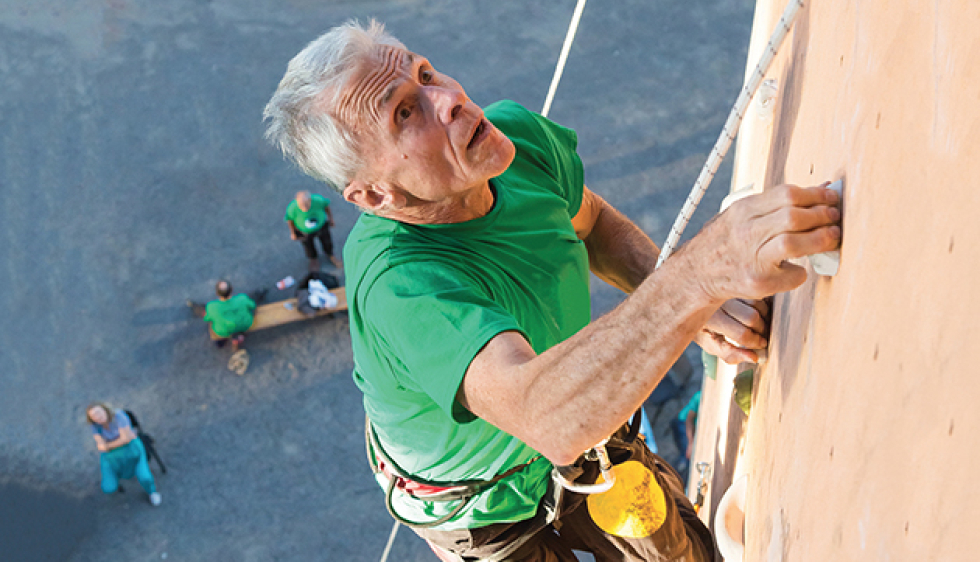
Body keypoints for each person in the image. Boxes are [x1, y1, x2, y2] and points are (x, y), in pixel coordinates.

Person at [263, 20, 841, 561]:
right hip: (487, 506)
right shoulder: (401, 288)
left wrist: (696, 303)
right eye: (407, 113)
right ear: (374, 197)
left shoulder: (512, 141)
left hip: (582, 419)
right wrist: (698, 277)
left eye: (426, 74)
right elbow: (546, 417)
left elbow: (587, 221)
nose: (450, 99)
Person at [86, 403, 161, 506]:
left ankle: (152, 492)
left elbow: (125, 440)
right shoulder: (95, 426)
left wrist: (108, 445)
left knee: (145, 477)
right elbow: (101, 445)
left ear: (105, 409)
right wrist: (117, 442)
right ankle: (117, 478)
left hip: (132, 449)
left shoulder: (118, 416)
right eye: (94, 416)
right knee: (108, 487)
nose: (97, 417)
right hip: (112, 455)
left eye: (98, 412)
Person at [187, 280, 267, 350]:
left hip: (223, 331)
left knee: (203, 310)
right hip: (245, 324)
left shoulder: (211, 306)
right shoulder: (242, 298)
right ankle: (262, 292)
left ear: (217, 293)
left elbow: (207, 318)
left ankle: (193, 306)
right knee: (251, 299)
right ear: (232, 289)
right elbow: (252, 305)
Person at [285, 190, 343, 270]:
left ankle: (330, 255)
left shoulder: (318, 200)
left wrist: (331, 219)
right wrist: (293, 233)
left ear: (310, 200)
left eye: (306, 205)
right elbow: (289, 220)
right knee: (308, 246)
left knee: (327, 242)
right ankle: (313, 259)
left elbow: (326, 207)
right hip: (304, 231)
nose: (305, 208)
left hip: (321, 226)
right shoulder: (292, 208)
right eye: (302, 205)